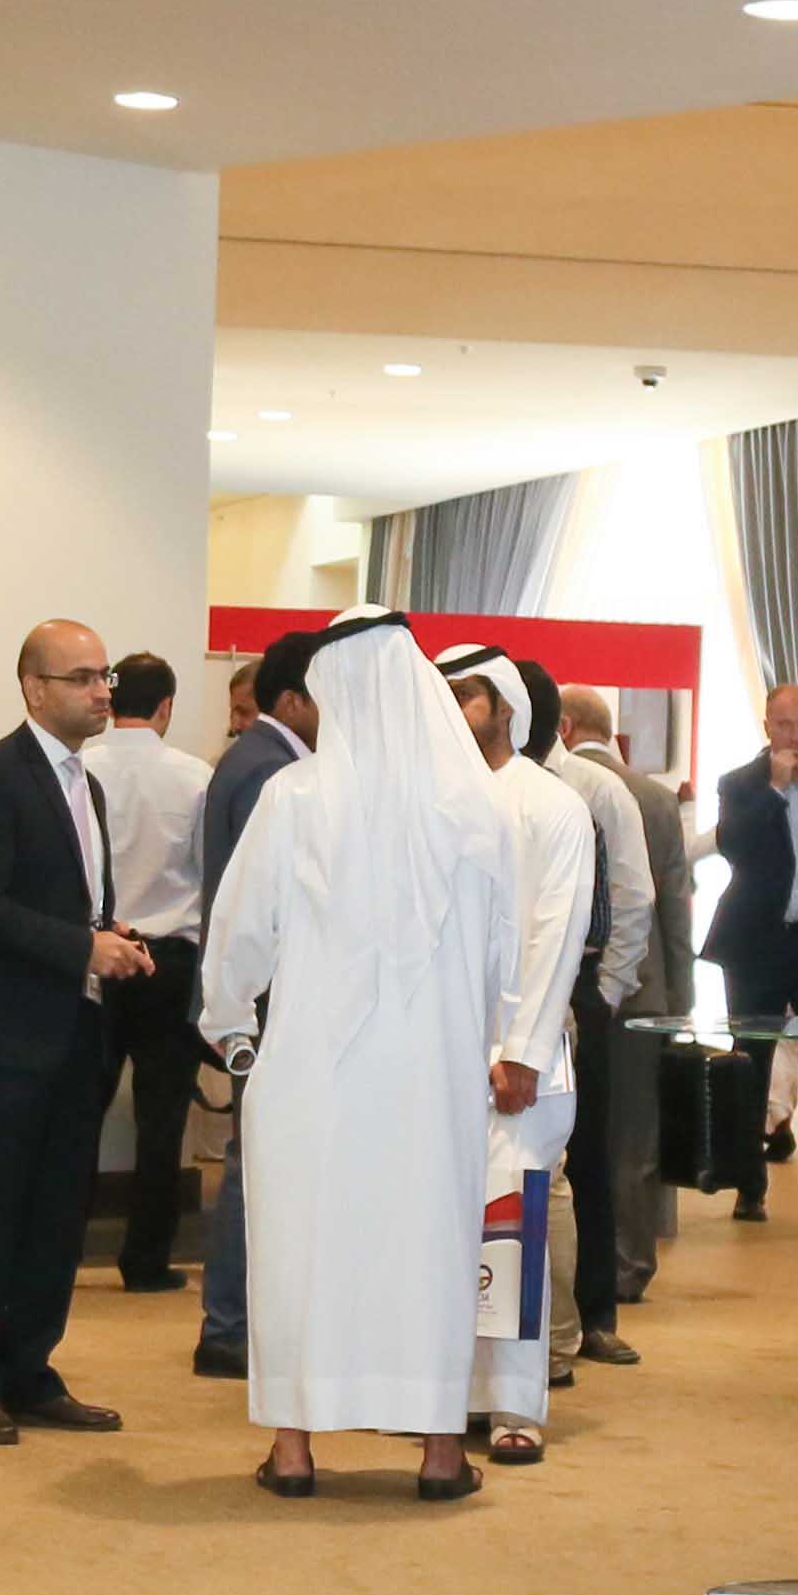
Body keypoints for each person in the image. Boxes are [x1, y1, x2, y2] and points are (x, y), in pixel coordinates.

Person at [203, 614, 517, 1500]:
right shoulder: (474, 807)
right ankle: (440, 1455)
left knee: (305, 1245)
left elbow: (240, 933)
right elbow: (506, 954)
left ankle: (293, 1450)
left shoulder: (295, 798)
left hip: (317, 1071)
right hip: (432, 1075)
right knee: (426, 1245)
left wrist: (229, 1020)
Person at [0, 619, 155, 1443]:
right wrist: (80, 946)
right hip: (2, 1033)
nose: (102, 692)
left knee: (59, 1212)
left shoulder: (87, 785)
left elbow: (64, 900)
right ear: (35, 689)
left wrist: (108, 931)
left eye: (105, 677)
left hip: (73, 1028)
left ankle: (31, 1369)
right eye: (83, 678)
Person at [441, 645, 598, 1451]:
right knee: (447, 1232)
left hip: (519, 1059)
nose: (450, 709)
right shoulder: (434, 798)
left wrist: (525, 1051)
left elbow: (556, 932)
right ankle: (454, 1397)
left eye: (464, 696)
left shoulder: (552, 804)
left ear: (504, 706)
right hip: (441, 1049)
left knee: (511, 1226)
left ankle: (513, 1409)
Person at [187, 625, 323, 1383]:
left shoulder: (254, 759)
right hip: (268, 998)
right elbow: (267, 908)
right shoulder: (275, 770)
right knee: (256, 1162)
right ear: (296, 699)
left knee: (256, 1157)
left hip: (259, 993)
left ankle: (236, 1322)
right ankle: (231, 1326)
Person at [82, 648, 214, 1295]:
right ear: (166, 706)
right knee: (161, 1123)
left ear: (110, 699)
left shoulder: (81, 768)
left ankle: (57, 1246)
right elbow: (210, 873)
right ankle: (145, 1261)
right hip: (169, 962)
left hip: (97, 954)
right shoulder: (195, 777)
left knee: (80, 1111)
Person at [699, 680, 798, 1221]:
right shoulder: (740, 783)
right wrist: (774, 790)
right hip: (755, 944)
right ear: (767, 726)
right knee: (751, 1062)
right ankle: (749, 1185)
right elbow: (733, 845)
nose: (794, 735)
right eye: (784, 725)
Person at [536, 667, 656, 1367]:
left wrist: (606, 992)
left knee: (586, 1152)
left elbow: (633, 895)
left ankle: (595, 1314)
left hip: (580, 984)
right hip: (505, 985)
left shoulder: (595, 789)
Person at [558, 685, 689, 1314]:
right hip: (644, 990)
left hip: (576, 985)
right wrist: (681, 996)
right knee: (635, 1137)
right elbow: (674, 908)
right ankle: (631, 1261)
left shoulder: (558, 787)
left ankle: (581, 1263)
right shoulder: (656, 798)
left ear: (564, 726)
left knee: (576, 1135)